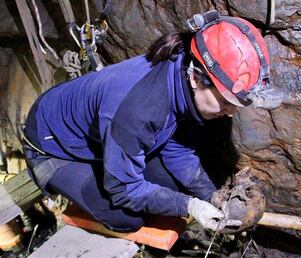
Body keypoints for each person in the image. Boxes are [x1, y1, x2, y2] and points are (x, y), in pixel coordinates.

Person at [22, 11, 271, 232]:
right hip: (54, 148)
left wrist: (211, 196)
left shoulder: (180, 71)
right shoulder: (140, 108)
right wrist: (191, 206)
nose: (229, 113)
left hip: (106, 138)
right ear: (197, 79)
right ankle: (82, 212)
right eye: (226, 102)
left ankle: (107, 170)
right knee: (127, 218)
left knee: (173, 187)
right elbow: (123, 190)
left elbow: (178, 149)